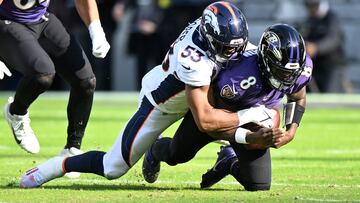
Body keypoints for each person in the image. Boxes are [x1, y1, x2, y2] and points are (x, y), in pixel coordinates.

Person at [19, 1, 279, 188]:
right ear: (209, 38)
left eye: (237, 47)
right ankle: (57, 166)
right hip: (163, 102)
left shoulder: (228, 40)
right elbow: (206, 121)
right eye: (225, 48)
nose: (232, 54)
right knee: (113, 168)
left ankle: (227, 154)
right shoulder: (194, 57)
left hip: (201, 98)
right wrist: (251, 114)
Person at [141, 24, 313, 191]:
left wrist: (290, 132)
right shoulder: (237, 77)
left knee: (259, 184)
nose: (288, 78)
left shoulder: (298, 68)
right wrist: (252, 137)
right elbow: (210, 124)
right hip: (217, 116)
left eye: (292, 73)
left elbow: (298, 96)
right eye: (282, 72)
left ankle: (228, 161)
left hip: (252, 119)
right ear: (266, 60)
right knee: (176, 155)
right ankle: (155, 149)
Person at [0, 0, 110, 160]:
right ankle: (16, 112)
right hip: (7, 22)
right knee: (43, 74)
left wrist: (96, 30)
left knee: (85, 81)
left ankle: (72, 148)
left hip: (40, 19)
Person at [297, 0, 348, 93]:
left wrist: (316, 48)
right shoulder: (309, 20)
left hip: (331, 67)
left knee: (330, 96)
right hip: (313, 66)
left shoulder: (331, 18)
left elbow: (333, 39)